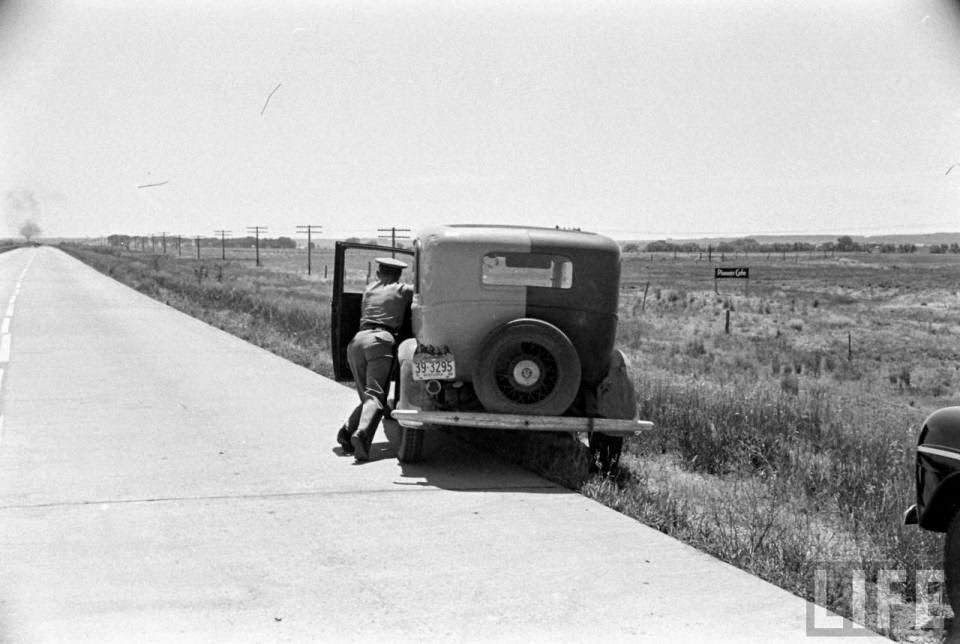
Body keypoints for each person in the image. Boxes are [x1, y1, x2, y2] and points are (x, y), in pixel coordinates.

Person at [337, 257, 413, 461]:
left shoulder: (369, 289)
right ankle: (361, 434)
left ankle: (346, 431)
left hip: (357, 342)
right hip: (380, 341)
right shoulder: (404, 290)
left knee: (367, 396)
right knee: (376, 396)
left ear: (378, 274)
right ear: (399, 275)